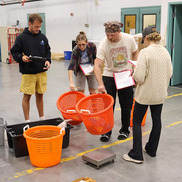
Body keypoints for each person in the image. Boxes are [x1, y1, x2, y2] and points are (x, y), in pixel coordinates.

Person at [123, 26, 173, 164]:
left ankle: (136, 154)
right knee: (157, 121)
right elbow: (170, 73)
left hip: (145, 94)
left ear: (146, 38)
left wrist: (134, 72)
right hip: (160, 94)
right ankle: (151, 149)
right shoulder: (166, 51)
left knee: (137, 122)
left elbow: (139, 77)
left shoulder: (145, 52)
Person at [94, 21, 138, 142]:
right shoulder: (104, 43)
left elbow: (135, 53)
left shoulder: (129, 39)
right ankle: (106, 131)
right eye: (107, 35)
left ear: (119, 32)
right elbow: (97, 65)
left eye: (112, 35)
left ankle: (124, 130)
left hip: (125, 74)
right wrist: (100, 84)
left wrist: (134, 67)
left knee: (126, 105)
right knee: (108, 106)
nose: (109, 38)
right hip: (109, 75)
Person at [11, 13, 51, 122]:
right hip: (28, 72)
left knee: (40, 95)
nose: (38, 29)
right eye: (36, 26)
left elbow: (48, 51)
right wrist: (21, 58)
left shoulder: (42, 37)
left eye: (39, 27)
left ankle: (42, 118)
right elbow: (14, 52)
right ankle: (27, 121)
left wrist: (48, 60)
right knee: (27, 96)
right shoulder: (21, 38)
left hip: (41, 72)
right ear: (30, 24)